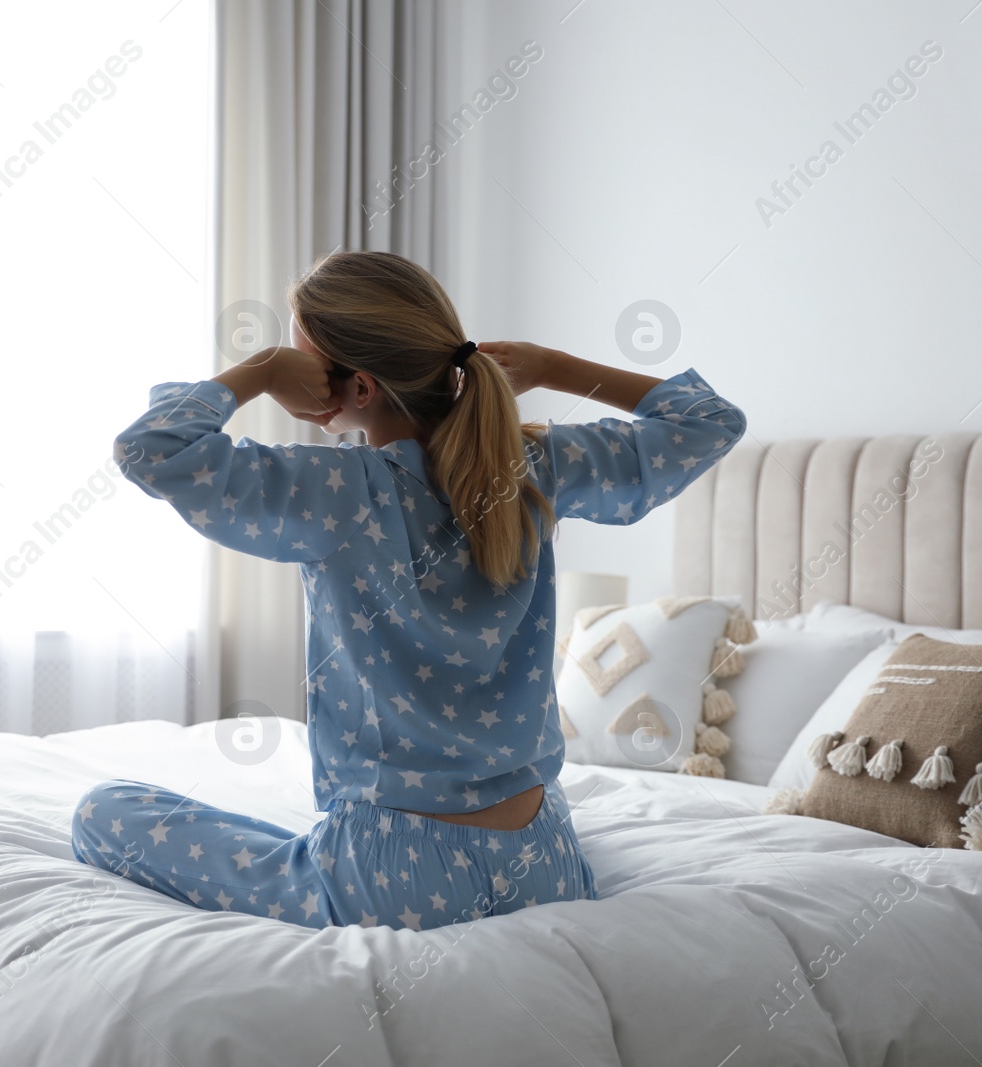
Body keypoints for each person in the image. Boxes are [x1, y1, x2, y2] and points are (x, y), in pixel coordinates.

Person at [71, 251, 746, 930]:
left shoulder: (335, 493)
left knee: (104, 810)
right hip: (544, 862)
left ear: (358, 388)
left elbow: (153, 446)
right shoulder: (537, 465)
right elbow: (708, 421)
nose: (298, 378)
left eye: (309, 365)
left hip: (393, 877)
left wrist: (263, 370)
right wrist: (551, 366)